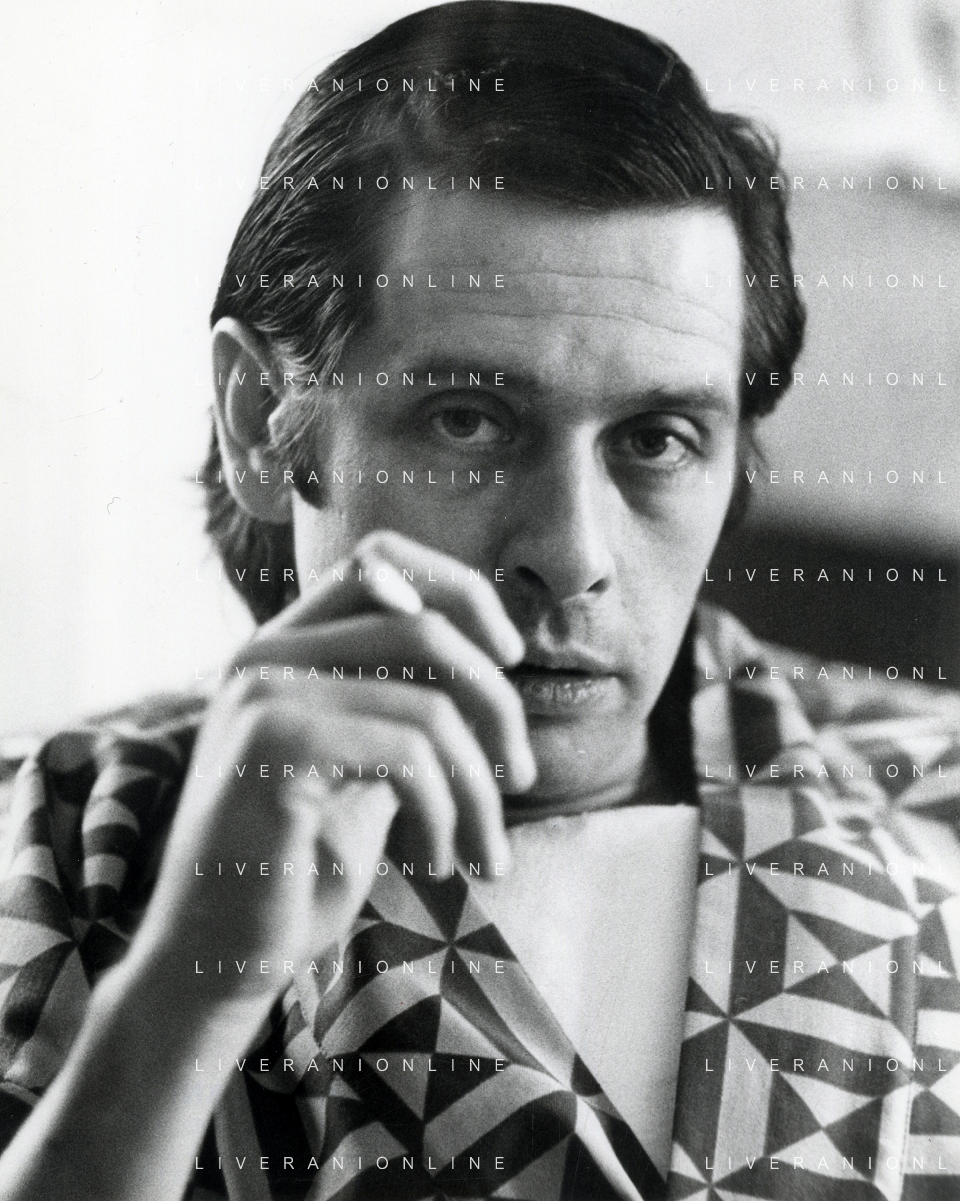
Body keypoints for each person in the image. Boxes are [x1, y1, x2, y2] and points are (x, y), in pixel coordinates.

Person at [0, 3, 957, 1198]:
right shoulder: (44, 843)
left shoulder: (938, 797)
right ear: (260, 421)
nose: (571, 553)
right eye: (467, 420)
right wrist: (188, 986)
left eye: (657, 438)